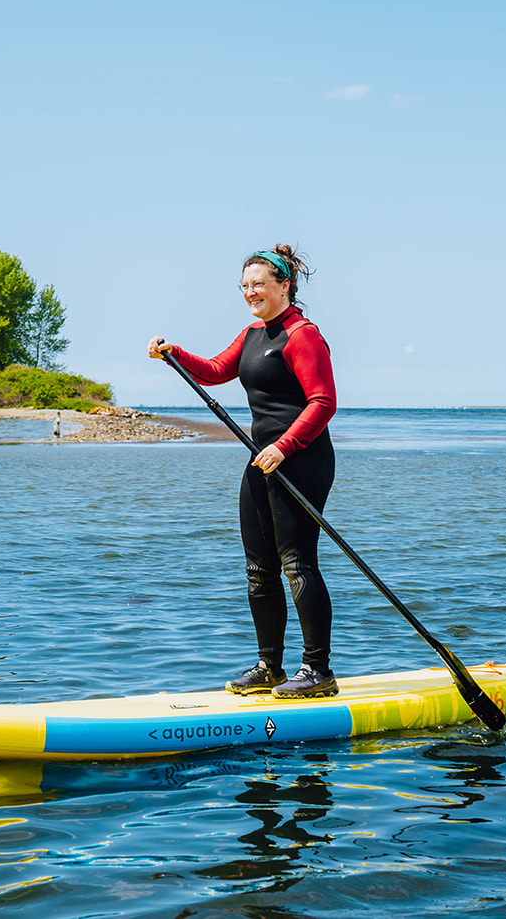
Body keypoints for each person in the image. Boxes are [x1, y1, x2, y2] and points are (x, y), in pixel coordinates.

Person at [148, 245, 339, 698]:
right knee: (259, 569)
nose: (251, 292)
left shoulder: (302, 335)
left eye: (260, 284)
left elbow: (323, 402)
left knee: (297, 564)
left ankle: (318, 671)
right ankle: (269, 665)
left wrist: (285, 445)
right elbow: (215, 370)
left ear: (284, 286)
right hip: (261, 459)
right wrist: (175, 353)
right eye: (245, 286)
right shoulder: (253, 333)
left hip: (303, 460)